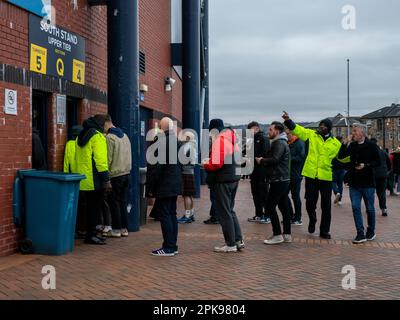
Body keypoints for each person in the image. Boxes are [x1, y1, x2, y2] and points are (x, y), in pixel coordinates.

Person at [283, 112, 341, 239]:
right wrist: (289, 121)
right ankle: (312, 219)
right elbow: (299, 130)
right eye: (320, 125)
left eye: (324, 126)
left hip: (325, 177)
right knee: (310, 202)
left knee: (326, 205)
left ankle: (324, 230)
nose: (321, 127)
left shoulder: (336, 143)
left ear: (329, 129)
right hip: (311, 175)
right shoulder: (311, 135)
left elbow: (338, 160)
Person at [203, 120, 244, 253]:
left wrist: (205, 164)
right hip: (233, 179)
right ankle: (238, 240)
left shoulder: (220, 141)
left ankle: (230, 243)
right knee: (230, 211)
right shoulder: (232, 140)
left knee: (224, 212)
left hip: (223, 180)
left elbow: (216, 164)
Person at [338, 124, 380, 244]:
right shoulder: (353, 145)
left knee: (370, 209)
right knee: (356, 208)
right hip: (354, 182)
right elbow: (341, 156)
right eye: (353, 131)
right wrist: (344, 143)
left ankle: (371, 231)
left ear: (362, 133)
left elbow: (378, 161)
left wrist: (366, 165)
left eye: (355, 131)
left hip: (367, 183)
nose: (353, 133)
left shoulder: (371, 145)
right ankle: (360, 233)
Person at [146, 117, 182, 256]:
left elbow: (156, 167)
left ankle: (168, 247)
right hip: (174, 183)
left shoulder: (161, 141)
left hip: (164, 184)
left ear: (161, 128)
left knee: (165, 215)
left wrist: (150, 188)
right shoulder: (176, 141)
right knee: (172, 214)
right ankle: (173, 245)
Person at [75, 115, 111, 245]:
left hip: (83, 177)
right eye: (108, 125)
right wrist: (106, 179)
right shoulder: (97, 136)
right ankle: (91, 235)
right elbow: (100, 161)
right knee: (94, 208)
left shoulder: (81, 135)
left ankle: (90, 233)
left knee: (88, 208)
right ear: (103, 124)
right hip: (95, 178)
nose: (109, 128)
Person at [256, 122, 291, 245]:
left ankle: (277, 235)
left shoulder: (279, 143)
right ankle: (287, 234)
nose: (268, 132)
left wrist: (262, 160)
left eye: (270, 130)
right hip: (282, 178)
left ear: (277, 131)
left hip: (279, 179)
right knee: (284, 206)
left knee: (270, 206)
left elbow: (275, 159)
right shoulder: (280, 142)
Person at [104, 115, 132, 237]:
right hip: (127, 173)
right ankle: (124, 229)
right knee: (123, 201)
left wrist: (106, 176)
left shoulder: (110, 138)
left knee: (114, 202)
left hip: (116, 175)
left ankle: (116, 229)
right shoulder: (125, 136)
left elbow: (108, 158)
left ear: (106, 124)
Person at [246, 121, 271, 224]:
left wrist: (254, 158)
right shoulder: (251, 139)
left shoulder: (264, 138)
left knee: (263, 193)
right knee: (255, 193)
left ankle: (268, 215)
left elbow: (265, 154)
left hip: (262, 171)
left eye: (251, 129)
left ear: (257, 128)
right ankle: (259, 214)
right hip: (254, 171)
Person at [63, 125, 85, 239]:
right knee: (82, 206)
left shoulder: (69, 144)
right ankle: (82, 229)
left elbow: (66, 162)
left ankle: (75, 229)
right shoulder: (83, 143)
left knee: (73, 205)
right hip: (83, 178)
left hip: (72, 178)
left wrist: (66, 175)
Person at [203, 119, 224, 225]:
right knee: (218, 196)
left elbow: (214, 161)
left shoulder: (214, 139)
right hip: (223, 174)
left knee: (215, 196)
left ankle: (215, 216)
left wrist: (206, 164)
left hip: (215, 173)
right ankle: (215, 215)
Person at [285, 127, 305, 225]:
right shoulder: (289, 144)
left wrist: (288, 159)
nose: (287, 136)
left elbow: (301, 158)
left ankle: (298, 218)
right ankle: (290, 215)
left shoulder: (299, 144)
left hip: (296, 175)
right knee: (283, 195)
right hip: (288, 174)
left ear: (293, 134)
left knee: (295, 196)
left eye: (288, 134)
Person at [178, 131, 197, 224]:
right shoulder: (193, 146)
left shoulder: (187, 146)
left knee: (186, 195)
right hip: (190, 171)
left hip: (185, 172)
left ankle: (187, 215)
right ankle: (191, 214)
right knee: (189, 194)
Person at [371, 138, 391, 217]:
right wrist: (387, 171)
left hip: (372, 175)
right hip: (383, 175)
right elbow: (389, 162)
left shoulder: (369, 153)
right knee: (382, 192)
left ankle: (369, 208)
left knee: (370, 192)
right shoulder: (383, 152)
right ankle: (383, 208)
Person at [331, 136, 347, 206]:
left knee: (333, 182)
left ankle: (336, 192)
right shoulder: (343, 148)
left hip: (334, 168)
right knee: (340, 184)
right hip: (341, 168)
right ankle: (339, 200)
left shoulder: (333, 147)